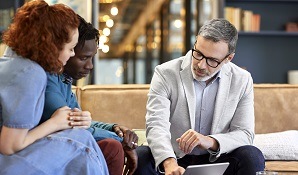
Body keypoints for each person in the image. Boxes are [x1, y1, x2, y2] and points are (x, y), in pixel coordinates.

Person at [134, 18, 265, 175]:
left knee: (252, 155)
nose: (201, 65)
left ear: (228, 58)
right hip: (174, 157)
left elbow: (245, 134)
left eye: (212, 60)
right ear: (195, 43)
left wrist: (209, 141)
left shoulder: (242, 80)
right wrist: (169, 164)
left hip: (217, 158)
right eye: (198, 54)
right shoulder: (165, 73)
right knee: (141, 155)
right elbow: (156, 125)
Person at [0, 1, 109, 174]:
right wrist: (55, 122)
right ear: (52, 45)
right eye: (71, 48)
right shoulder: (31, 73)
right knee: (83, 142)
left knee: (83, 138)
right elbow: (9, 145)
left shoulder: (9, 63)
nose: (73, 54)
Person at [41, 15, 138, 175]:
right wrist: (121, 140)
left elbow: (82, 124)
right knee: (112, 148)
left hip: (59, 147)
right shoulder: (46, 79)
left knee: (113, 146)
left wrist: (114, 129)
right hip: (44, 152)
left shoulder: (64, 80)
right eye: (83, 57)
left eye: (92, 58)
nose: (90, 66)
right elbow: (72, 128)